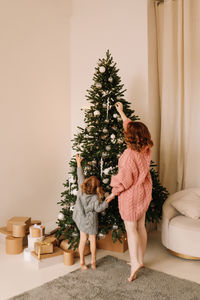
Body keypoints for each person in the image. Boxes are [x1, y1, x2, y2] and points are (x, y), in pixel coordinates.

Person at [106, 102, 153, 282]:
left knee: (131, 229)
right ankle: (140, 258)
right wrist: (122, 114)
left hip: (131, 196)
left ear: (130, 138)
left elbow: (123, 181)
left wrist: (112, 194)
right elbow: (131, 128)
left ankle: (135, 262)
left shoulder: (128, 156)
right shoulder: (145, 149)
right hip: (144, 192)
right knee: (140, 226)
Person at [73, 154, 113, 270]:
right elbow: (99, 208)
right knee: (92, 241)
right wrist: (108, 200)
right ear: (96, 188)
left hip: (81, 219)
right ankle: (93, 262)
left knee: (82, 240)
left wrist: (78, 163)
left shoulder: (81, 189)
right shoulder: (95, 198)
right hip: (90, 222)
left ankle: (82, 262)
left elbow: (80, 176)